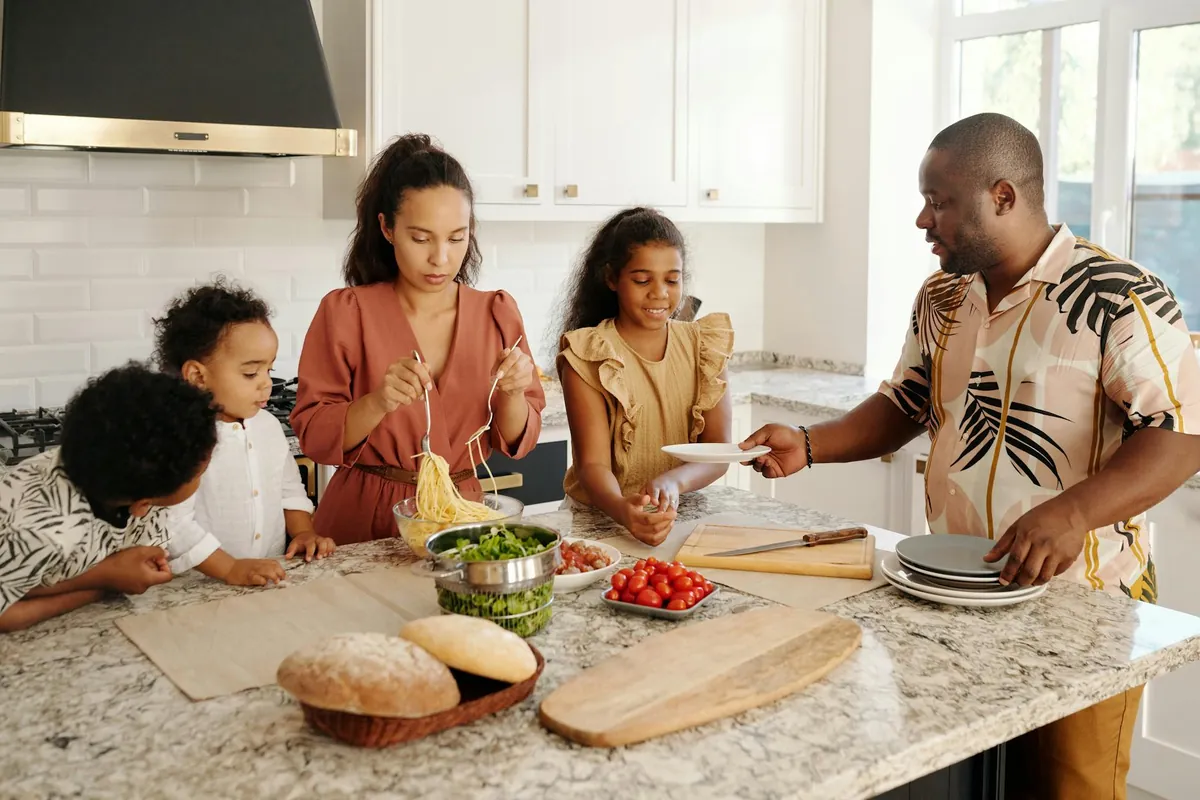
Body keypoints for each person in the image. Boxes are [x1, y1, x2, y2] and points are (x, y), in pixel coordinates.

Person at [742, 112, 1200, 800]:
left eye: (940, 200)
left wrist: (1072, 513)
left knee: (1066, 790)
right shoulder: (943, 295)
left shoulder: (1117, 295)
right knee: (959, 779)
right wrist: (810, 445)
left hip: (1080, 607)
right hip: (949, 592)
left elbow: (1180, 435)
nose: (924, 219)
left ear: (1004, 196)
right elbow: (906, 402)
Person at [291, 134, 546, 544]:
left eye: (456, 238)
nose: (440, 258)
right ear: (387, 228)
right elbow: (315, 438)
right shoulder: (346, 312)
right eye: (421, 238)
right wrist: (377, 402)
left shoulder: (497, 313)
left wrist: (514, 392)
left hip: (462, 518)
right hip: (363, 522)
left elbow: (517, 441)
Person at [556, 207, 734, 545]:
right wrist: (624, 510)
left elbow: (718, 451)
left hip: (679, 514)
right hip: (600, 522)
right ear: (612, 279)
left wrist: (674, 482)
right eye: (642, 280)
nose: (659, 293)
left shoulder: (704, 346)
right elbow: (592, 466)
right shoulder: (587, 353)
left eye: (672, 279)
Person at [0, 365, 218, 632]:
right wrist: (103, 583)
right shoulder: (48, 533)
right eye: (200, 474)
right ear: (142, 504)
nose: (203, 478)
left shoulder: (104, 470)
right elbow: (4, 611)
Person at [153, 281, 335, 585]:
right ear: (197, 375)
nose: (266, 384)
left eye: (269, 370)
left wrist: (304, 532)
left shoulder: (268, 426)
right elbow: (172, 524)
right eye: (251, 373)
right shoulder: (178, 439)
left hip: (266, 576)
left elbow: (289, 492)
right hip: (195, 588)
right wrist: (229, 569)